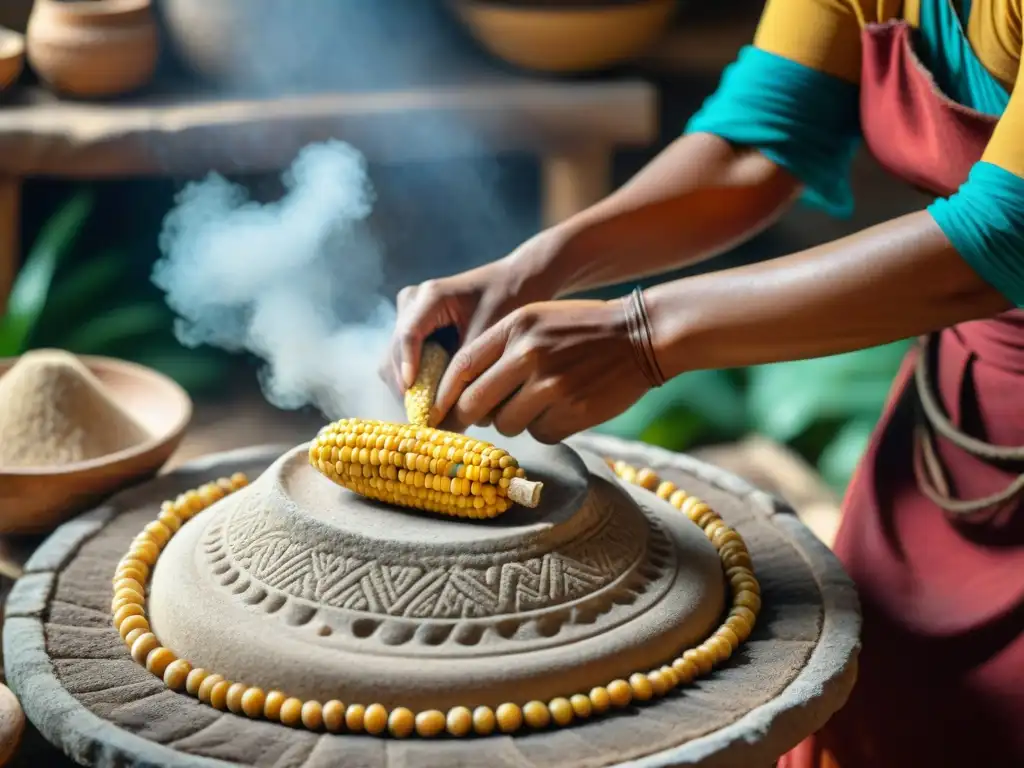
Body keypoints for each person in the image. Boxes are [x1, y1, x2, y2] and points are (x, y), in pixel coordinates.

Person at [381, 0, 1024, 764]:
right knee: (867, 716)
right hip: (962, 416)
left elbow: (1003, 233)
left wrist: (641, 336)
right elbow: (754, 143)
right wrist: (532, 269)